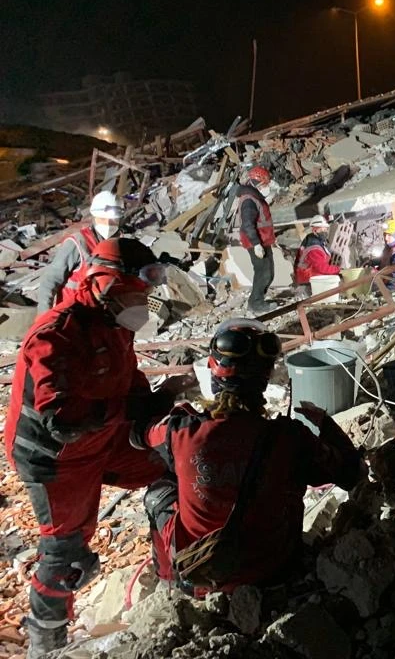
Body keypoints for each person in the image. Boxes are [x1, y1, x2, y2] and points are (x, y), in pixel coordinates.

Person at [4, 238, 170, 658]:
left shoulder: (116, 325)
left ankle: (172, 578)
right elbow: (62, 418)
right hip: (58, 459)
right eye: (138, 293)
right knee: (65, 555)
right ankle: (47, 644)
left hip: (105, 439)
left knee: (175, 466)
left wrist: (157, 405)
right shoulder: (55, 336)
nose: (144, 303)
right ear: (107, 285)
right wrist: (130, 408)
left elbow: (127, 382)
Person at [132, 319, 365, 593]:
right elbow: (353, 475)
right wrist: (326, 425)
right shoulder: (290, 438)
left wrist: (169, 392)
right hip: (276, 571)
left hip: (202, 580)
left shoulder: (182, 432)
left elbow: (138, 435)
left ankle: (171, 581)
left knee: (160, 490)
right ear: (264, 382)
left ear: (213, 374)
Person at [35, 190, 124, 314]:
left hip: (101, 315)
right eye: (104, 219)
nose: (109, 224)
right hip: (73, 315)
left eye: (113, 219)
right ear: (95, 216)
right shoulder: (77, 243)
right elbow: (50, 281)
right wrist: (43, 317)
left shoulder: (118, 244)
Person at [233, 166, 276, 313]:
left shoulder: (254, 197)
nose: (266, 187)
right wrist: (256, 244)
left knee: (269, 273)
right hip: (256, 242)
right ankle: (256, 303)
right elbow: (247, 224)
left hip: (263, 241)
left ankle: (258, 300)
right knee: (263, 273)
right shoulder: (249, 201)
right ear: (255, 183)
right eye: (264, 184)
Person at [294, 215, 341, 297]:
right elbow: (322, 268)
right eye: (322, 229)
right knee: (334, 280)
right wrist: (339, 270)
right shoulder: (314, 248)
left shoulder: (313, 239)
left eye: (326, 228)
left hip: (306, 274)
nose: (325, 231)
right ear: (314, 230)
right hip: (307, 277)